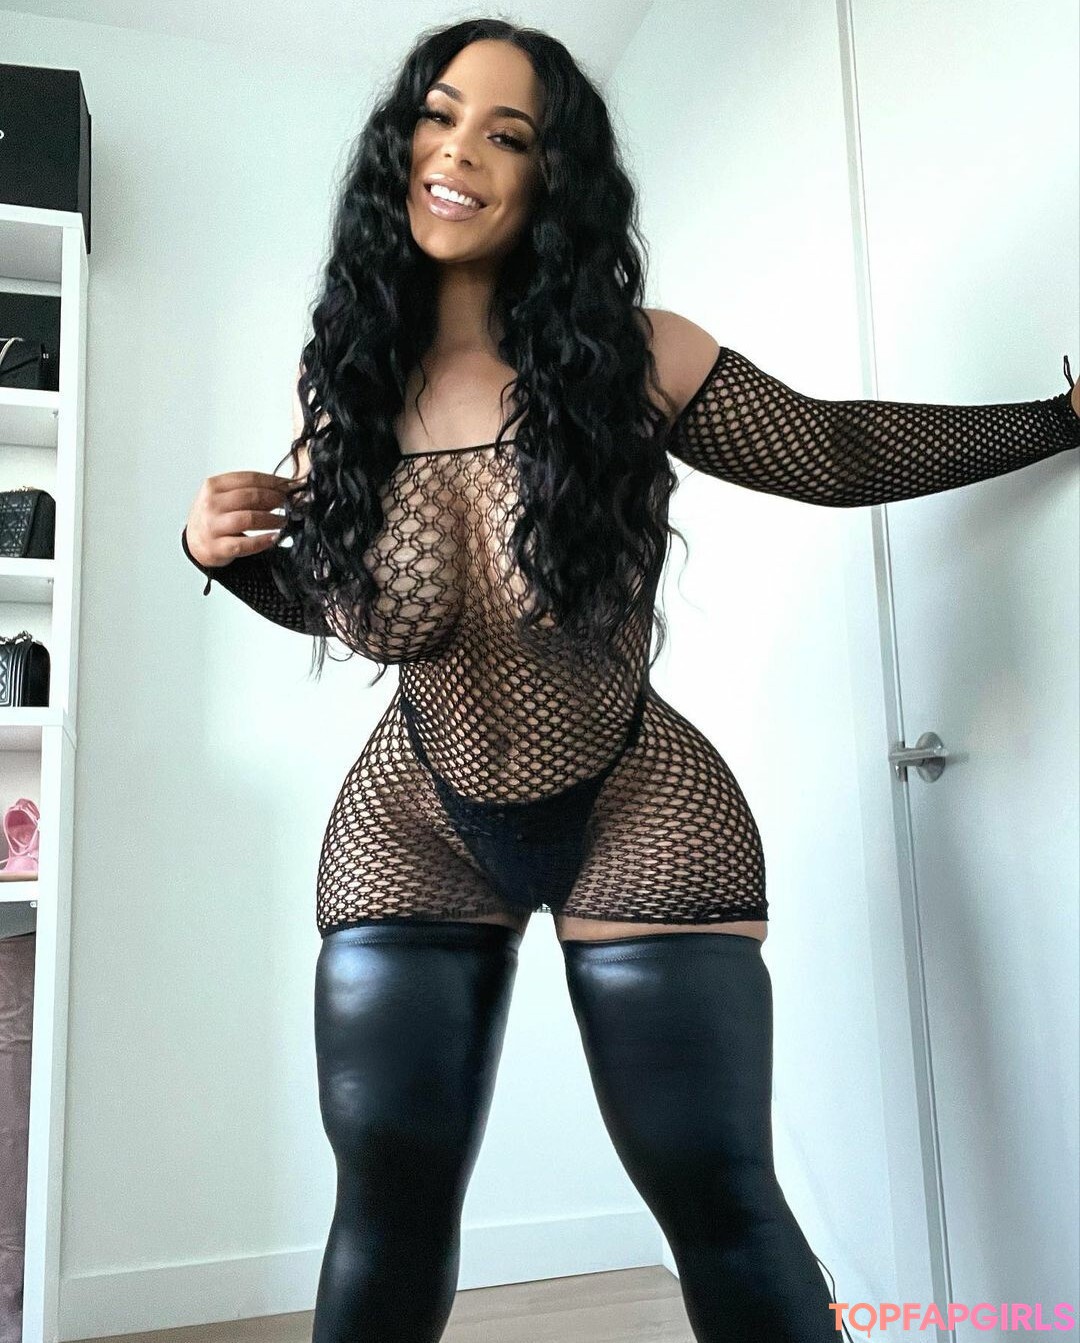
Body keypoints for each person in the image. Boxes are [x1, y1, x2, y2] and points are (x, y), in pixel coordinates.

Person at [181, 19, 1080, 1343]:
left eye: (507, 135)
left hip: (636, 808)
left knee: (718, 1197)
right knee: (386, 1205)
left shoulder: (638, 357)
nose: (460, 153)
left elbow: (836, 451)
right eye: (438, 116)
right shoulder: (350, 399)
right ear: (397, 147)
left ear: (553, 179)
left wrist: (1058, 420)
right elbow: (354, 616)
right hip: (414, 821)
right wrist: (223, 556)